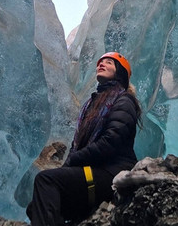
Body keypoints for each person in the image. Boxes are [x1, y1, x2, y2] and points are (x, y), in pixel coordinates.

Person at [26, 51, 141, 226]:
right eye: (100, 62)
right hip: (93, 172)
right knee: (35, 207)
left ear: (120, 72)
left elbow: (111, 141)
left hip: (111, 174)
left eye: (109, 62)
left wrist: (74, 159)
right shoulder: (93, 104)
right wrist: (68, 165)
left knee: (46, 181)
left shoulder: (124, 100)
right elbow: (76, 145)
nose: (101, 64)